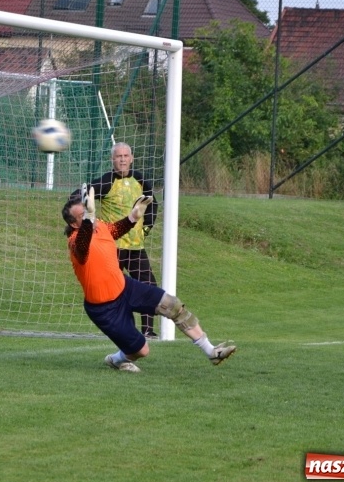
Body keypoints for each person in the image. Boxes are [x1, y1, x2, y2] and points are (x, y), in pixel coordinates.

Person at [62, 184, 236, 373]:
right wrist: (89, 217)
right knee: (142, 350)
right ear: (74, 223)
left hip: (126, 287)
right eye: (84, 215)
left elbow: (114, 230)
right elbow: (83, 244)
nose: (90, 216)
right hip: (104, 309)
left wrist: (133, 217)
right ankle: (116, 359)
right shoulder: (75, 242)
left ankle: (211, 351)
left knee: (173, 305)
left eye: (89, 211)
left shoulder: (100, 226)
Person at [89, 142, 159, 338]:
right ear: (113, 160)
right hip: (113, 248)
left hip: (136, 247)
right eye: (118, 156)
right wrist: (88, 217)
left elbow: (153, 204)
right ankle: (120, 330)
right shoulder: (107, 181)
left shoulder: (139, 180)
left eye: (125, 156)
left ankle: (148, 330)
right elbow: (86, 192)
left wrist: (146, 228)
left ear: (131, 158)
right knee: (113, 291)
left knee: (149, 286)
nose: (122, 159)